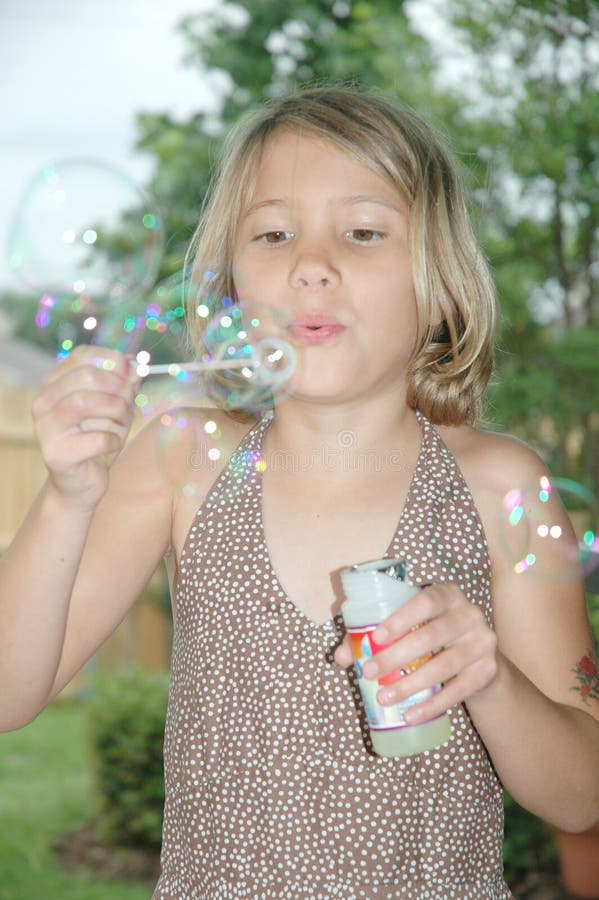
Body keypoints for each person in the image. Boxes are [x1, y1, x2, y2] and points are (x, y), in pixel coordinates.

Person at [0, 85, 597, 899]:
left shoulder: (495, 487)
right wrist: (67, 497)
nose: (312, 263)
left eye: (361, 232)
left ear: (441, 286)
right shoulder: (181, 462)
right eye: (274, 233)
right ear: (237, 287)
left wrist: (487, 679)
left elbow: (579, 797)